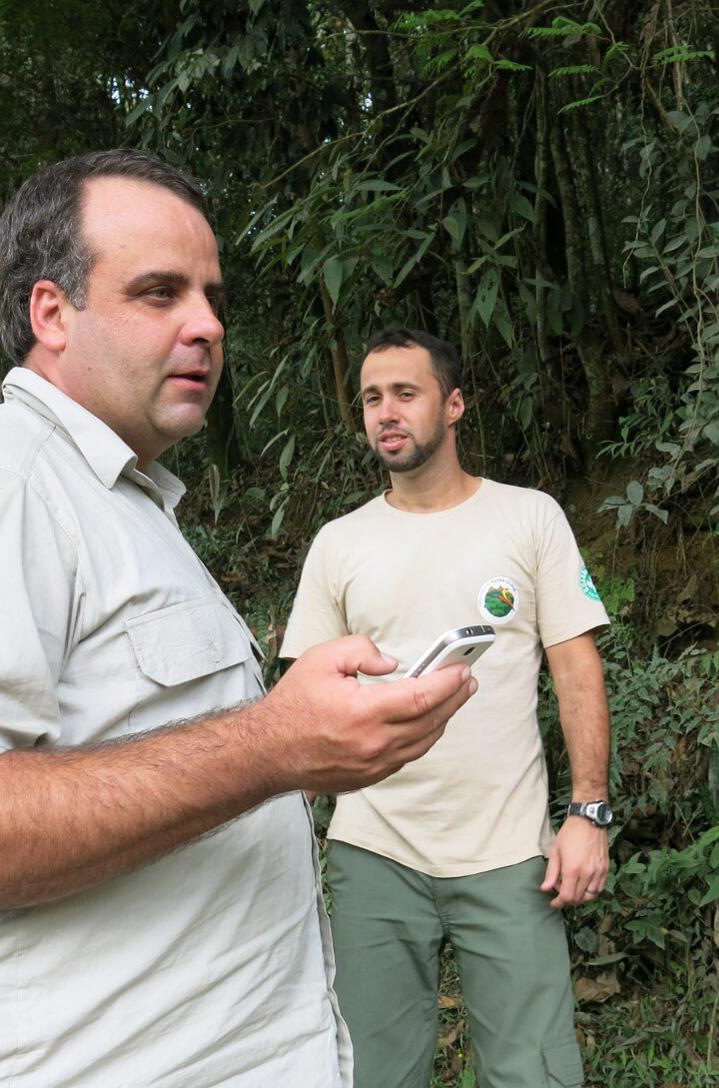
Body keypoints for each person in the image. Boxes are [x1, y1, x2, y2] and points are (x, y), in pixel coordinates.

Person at [0, 151, 474, 1088]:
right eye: (160, 293)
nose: (207, 325)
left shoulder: (123, 505)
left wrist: (294, 740)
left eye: (211, 296)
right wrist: (274, 744)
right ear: (52, 314)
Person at [281, 327, 613, 1088]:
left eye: (406, 393)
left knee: (534, 1074)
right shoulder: (339, 542)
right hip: (373, 850)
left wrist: (588, 813)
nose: (386, 412)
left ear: (454, 404)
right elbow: (303, 706)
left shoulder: (529, 518)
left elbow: (575, 666)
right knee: (374, 1074)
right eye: (372, 398)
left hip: (510, 851)